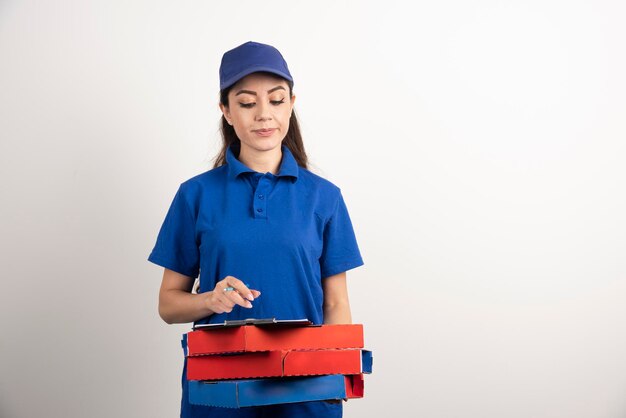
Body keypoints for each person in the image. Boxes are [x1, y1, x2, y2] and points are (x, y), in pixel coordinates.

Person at [147, 41, 364, 418]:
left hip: (304, 390)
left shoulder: (324, 198)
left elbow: (335, 303)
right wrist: (209, 300)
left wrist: (335, 375)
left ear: (292, 104)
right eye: (247, 103)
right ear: (226, 111)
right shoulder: (195, 195)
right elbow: (168, 304)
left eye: (276, 100)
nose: (264, 115)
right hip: (219, 390)